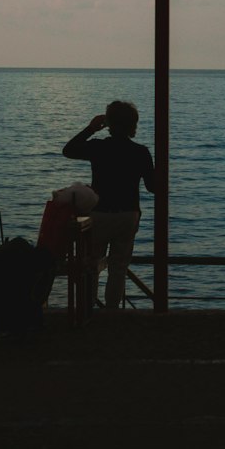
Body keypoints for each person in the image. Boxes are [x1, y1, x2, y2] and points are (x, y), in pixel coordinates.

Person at [62, 100, 155, 310]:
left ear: (109, 123)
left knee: (92, 264)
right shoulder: (141, 152)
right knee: (119, 267)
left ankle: (88, 310)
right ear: (133, 125)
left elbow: (68, 150)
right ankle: (112, 312)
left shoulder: (99, 147)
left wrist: (91, 128)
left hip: (100, 214)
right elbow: (153, 186)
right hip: (128, 214)